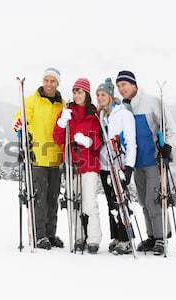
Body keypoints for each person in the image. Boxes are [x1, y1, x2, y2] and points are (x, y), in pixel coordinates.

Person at [115, 70, 176, 255]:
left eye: (124, 84)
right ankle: (151, 237)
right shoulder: (123, 108)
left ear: (133, 84)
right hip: (136, 162)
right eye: (119, 86)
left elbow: (170, 128)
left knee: (155, 200)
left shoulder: (151, 102)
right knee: (143, 201)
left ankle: (161, 237)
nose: (121, 89)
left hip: (153, 159)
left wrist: (168, 146)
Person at [12, 67, 66, 250]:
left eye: (53, 81)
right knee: (39, 198)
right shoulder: (32, 101)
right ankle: (39, 234)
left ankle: (50, 234)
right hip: (37, 157)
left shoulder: (62, 104)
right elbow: (19, 118)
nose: (49, 84)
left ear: (58, 83)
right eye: (47, 80)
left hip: (56, 158)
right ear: (43, 81)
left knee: (53, 197)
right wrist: (19, 123)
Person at [53, 78, 102, 254]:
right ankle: (78, 237)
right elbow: (58, 139)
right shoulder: (67, 112)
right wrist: (61, 123)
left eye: (80, 91)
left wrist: (89, 141)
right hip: (71, 164)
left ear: (86, 94)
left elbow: (99, 141)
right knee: (74, 203)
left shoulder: (94, 114)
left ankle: (94, 239)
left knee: (89, 204)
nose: (76, 94)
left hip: (89, 165)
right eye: (74, 91)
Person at [97, 78, 137, 255]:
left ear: (111, 95)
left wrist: (129, 166)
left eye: (103, 94)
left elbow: (131, 141)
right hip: (104, 165)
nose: (100, 97)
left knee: (121, 200)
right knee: (110, 202)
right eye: (98, 95)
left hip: (119, 163)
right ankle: (117, 236)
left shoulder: (123, 114)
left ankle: (126, 239)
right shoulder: (101, 115)